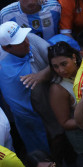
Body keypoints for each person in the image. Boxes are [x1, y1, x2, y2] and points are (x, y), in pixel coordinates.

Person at [0, 21, 52, 153]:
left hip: (51, 110)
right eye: (20, 42)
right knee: (41, 155)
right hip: (28, 122)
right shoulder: (4, 68)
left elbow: (60, 59)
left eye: (24, 37)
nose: (26, 42)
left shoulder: (31, 39)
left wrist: (42, 74)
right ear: (7, 48)